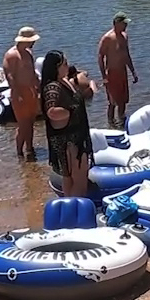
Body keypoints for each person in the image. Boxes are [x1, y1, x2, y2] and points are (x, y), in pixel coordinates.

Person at [41, 50, 94, 198]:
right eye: (64, 63)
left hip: (74, 137)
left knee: (70, 178)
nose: (68, 65)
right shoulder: (53, 87)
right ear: (56, 67)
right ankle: (77, 210)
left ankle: (70, 208)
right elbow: (51, 111)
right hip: (69, 140)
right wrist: (70, 112)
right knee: (79, 180)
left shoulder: (63, 81)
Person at [3, 26, 42, 160]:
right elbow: (10, 76)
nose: (33, 43)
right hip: (20, 92)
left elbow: (32, 73)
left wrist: (39, 88)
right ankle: (19, 152)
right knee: (23, 124)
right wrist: (17, 93)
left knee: (31, 122)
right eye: (31, 40)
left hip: (31, 91)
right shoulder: (11, 55)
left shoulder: (28, 53)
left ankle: (30, 149)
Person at [97, 12, 138, 127]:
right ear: (117, 23)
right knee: (112, 102)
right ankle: (111, 123)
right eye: (124, 23)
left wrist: (133, 72)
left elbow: (126, 55)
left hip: (122, 72)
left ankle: (121, 122)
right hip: (112, 73)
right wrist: (104, 77)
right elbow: (100, 56)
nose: (126, 26)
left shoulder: (124, 36)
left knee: (123, 100)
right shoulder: (108, 38)